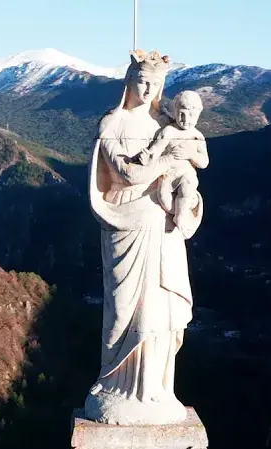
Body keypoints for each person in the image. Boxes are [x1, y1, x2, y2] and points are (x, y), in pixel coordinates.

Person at [85, 50, 205, 425]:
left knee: (161, 305)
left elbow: (193, 165)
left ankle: (156, 389)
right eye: (142, 80)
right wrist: (167, 164)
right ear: (129, 81)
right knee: (124, 309)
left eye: (156, 83)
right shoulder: (113, 123)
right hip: (127, 220)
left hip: (163, 225)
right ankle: (116, 387)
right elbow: (126, 174)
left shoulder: (168, 123)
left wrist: (185, 198)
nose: (149, 87)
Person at [138, 90, 209, 232]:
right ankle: (177, 212)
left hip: (186, 175)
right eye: (181, 114)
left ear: (198, 115)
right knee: (166, 202)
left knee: (187, 187)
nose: (186, 119)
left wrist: (191, 154)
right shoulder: (169, 132)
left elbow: (204, 162)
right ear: (175, 112)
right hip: (168, 176)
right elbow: (156, 150)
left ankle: (181, 216)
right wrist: (148, 158)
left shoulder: (197, 136)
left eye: (191, 115)